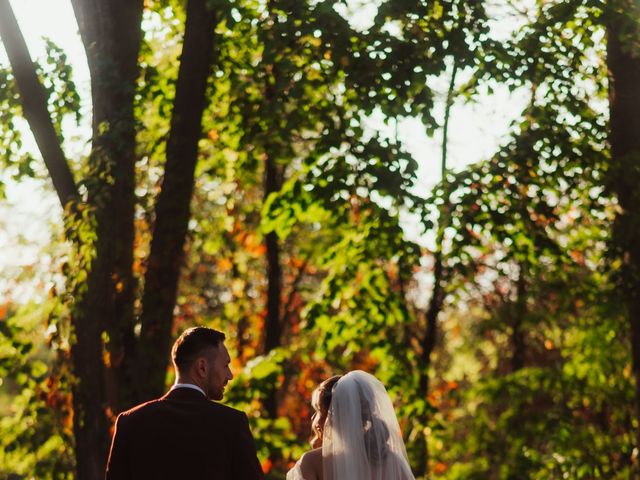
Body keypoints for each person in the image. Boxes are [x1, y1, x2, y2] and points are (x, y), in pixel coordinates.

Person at [105, 327, 264, 480]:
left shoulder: (130, 422)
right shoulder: (232, 424)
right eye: (225, 365)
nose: (229, 375)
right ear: (202, 367)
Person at [287, 370, 415, 480]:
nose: (312, 417)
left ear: (333, 416)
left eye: (318, 410)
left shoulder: (312, 462)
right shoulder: (394, 462)